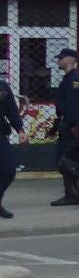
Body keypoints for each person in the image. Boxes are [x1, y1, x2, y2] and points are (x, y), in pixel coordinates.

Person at [49, 48, 79, 206]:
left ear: (70, 60)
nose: (58, 60)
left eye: (61, 58)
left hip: (71, 126)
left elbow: (72, 107)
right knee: (68, 159)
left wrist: (68, 125)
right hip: (68, 124)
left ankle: (73, 194)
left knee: (66, 160)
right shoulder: (69, 79)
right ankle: (75, 192)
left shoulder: (74, 80)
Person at [0, 76, 22, 219]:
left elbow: (11, 110)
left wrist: (20, 130)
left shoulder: (2, 87)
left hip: (1, 136)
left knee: (8, 171)